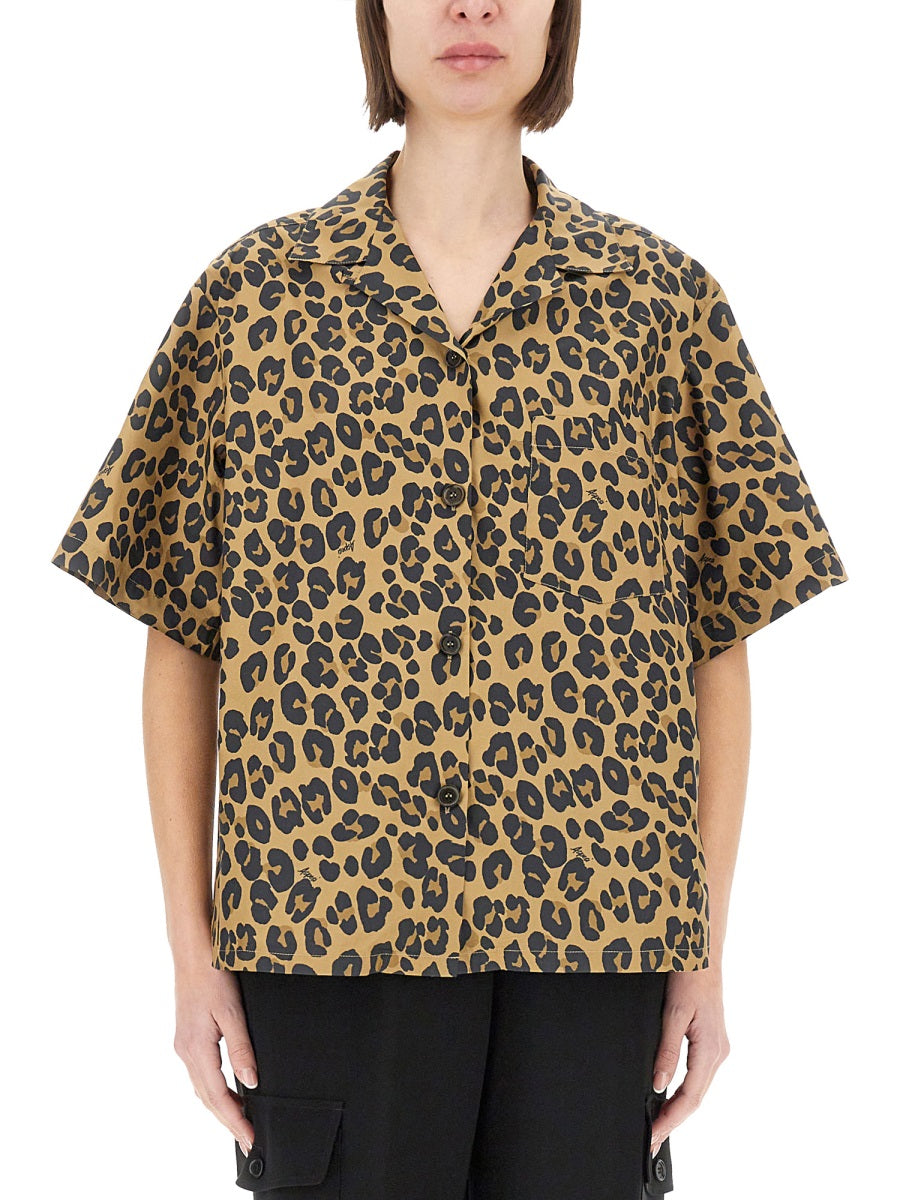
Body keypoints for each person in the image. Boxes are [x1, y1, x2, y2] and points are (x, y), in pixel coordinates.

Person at [49, 2, 849, 1197]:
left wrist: (705, 949)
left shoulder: (661, 304)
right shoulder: (254, 300)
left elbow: (716, 641)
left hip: (596, 933)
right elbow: (183, 633)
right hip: (323, 935)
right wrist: (189, 949)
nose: (472, 6)